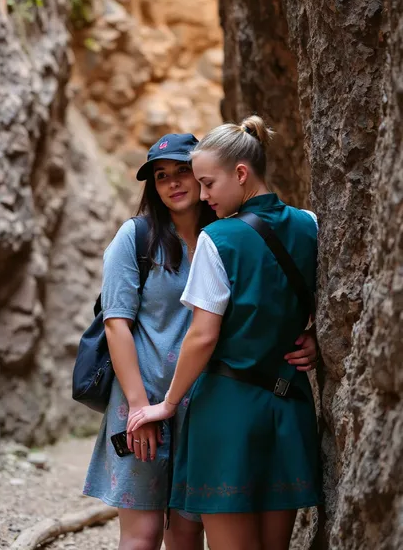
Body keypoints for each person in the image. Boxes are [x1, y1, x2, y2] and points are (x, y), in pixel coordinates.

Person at [84, 130, 319, 550]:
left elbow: (275, 301)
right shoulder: (136, 239)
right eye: (160, 177)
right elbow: (115, 323)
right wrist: (141, 407)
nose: (173, 183)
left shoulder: (227, 234)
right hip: (148, 398)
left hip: (207, 402)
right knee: (143, 534)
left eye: (184, 173)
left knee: (190, 530)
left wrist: (313, 337)